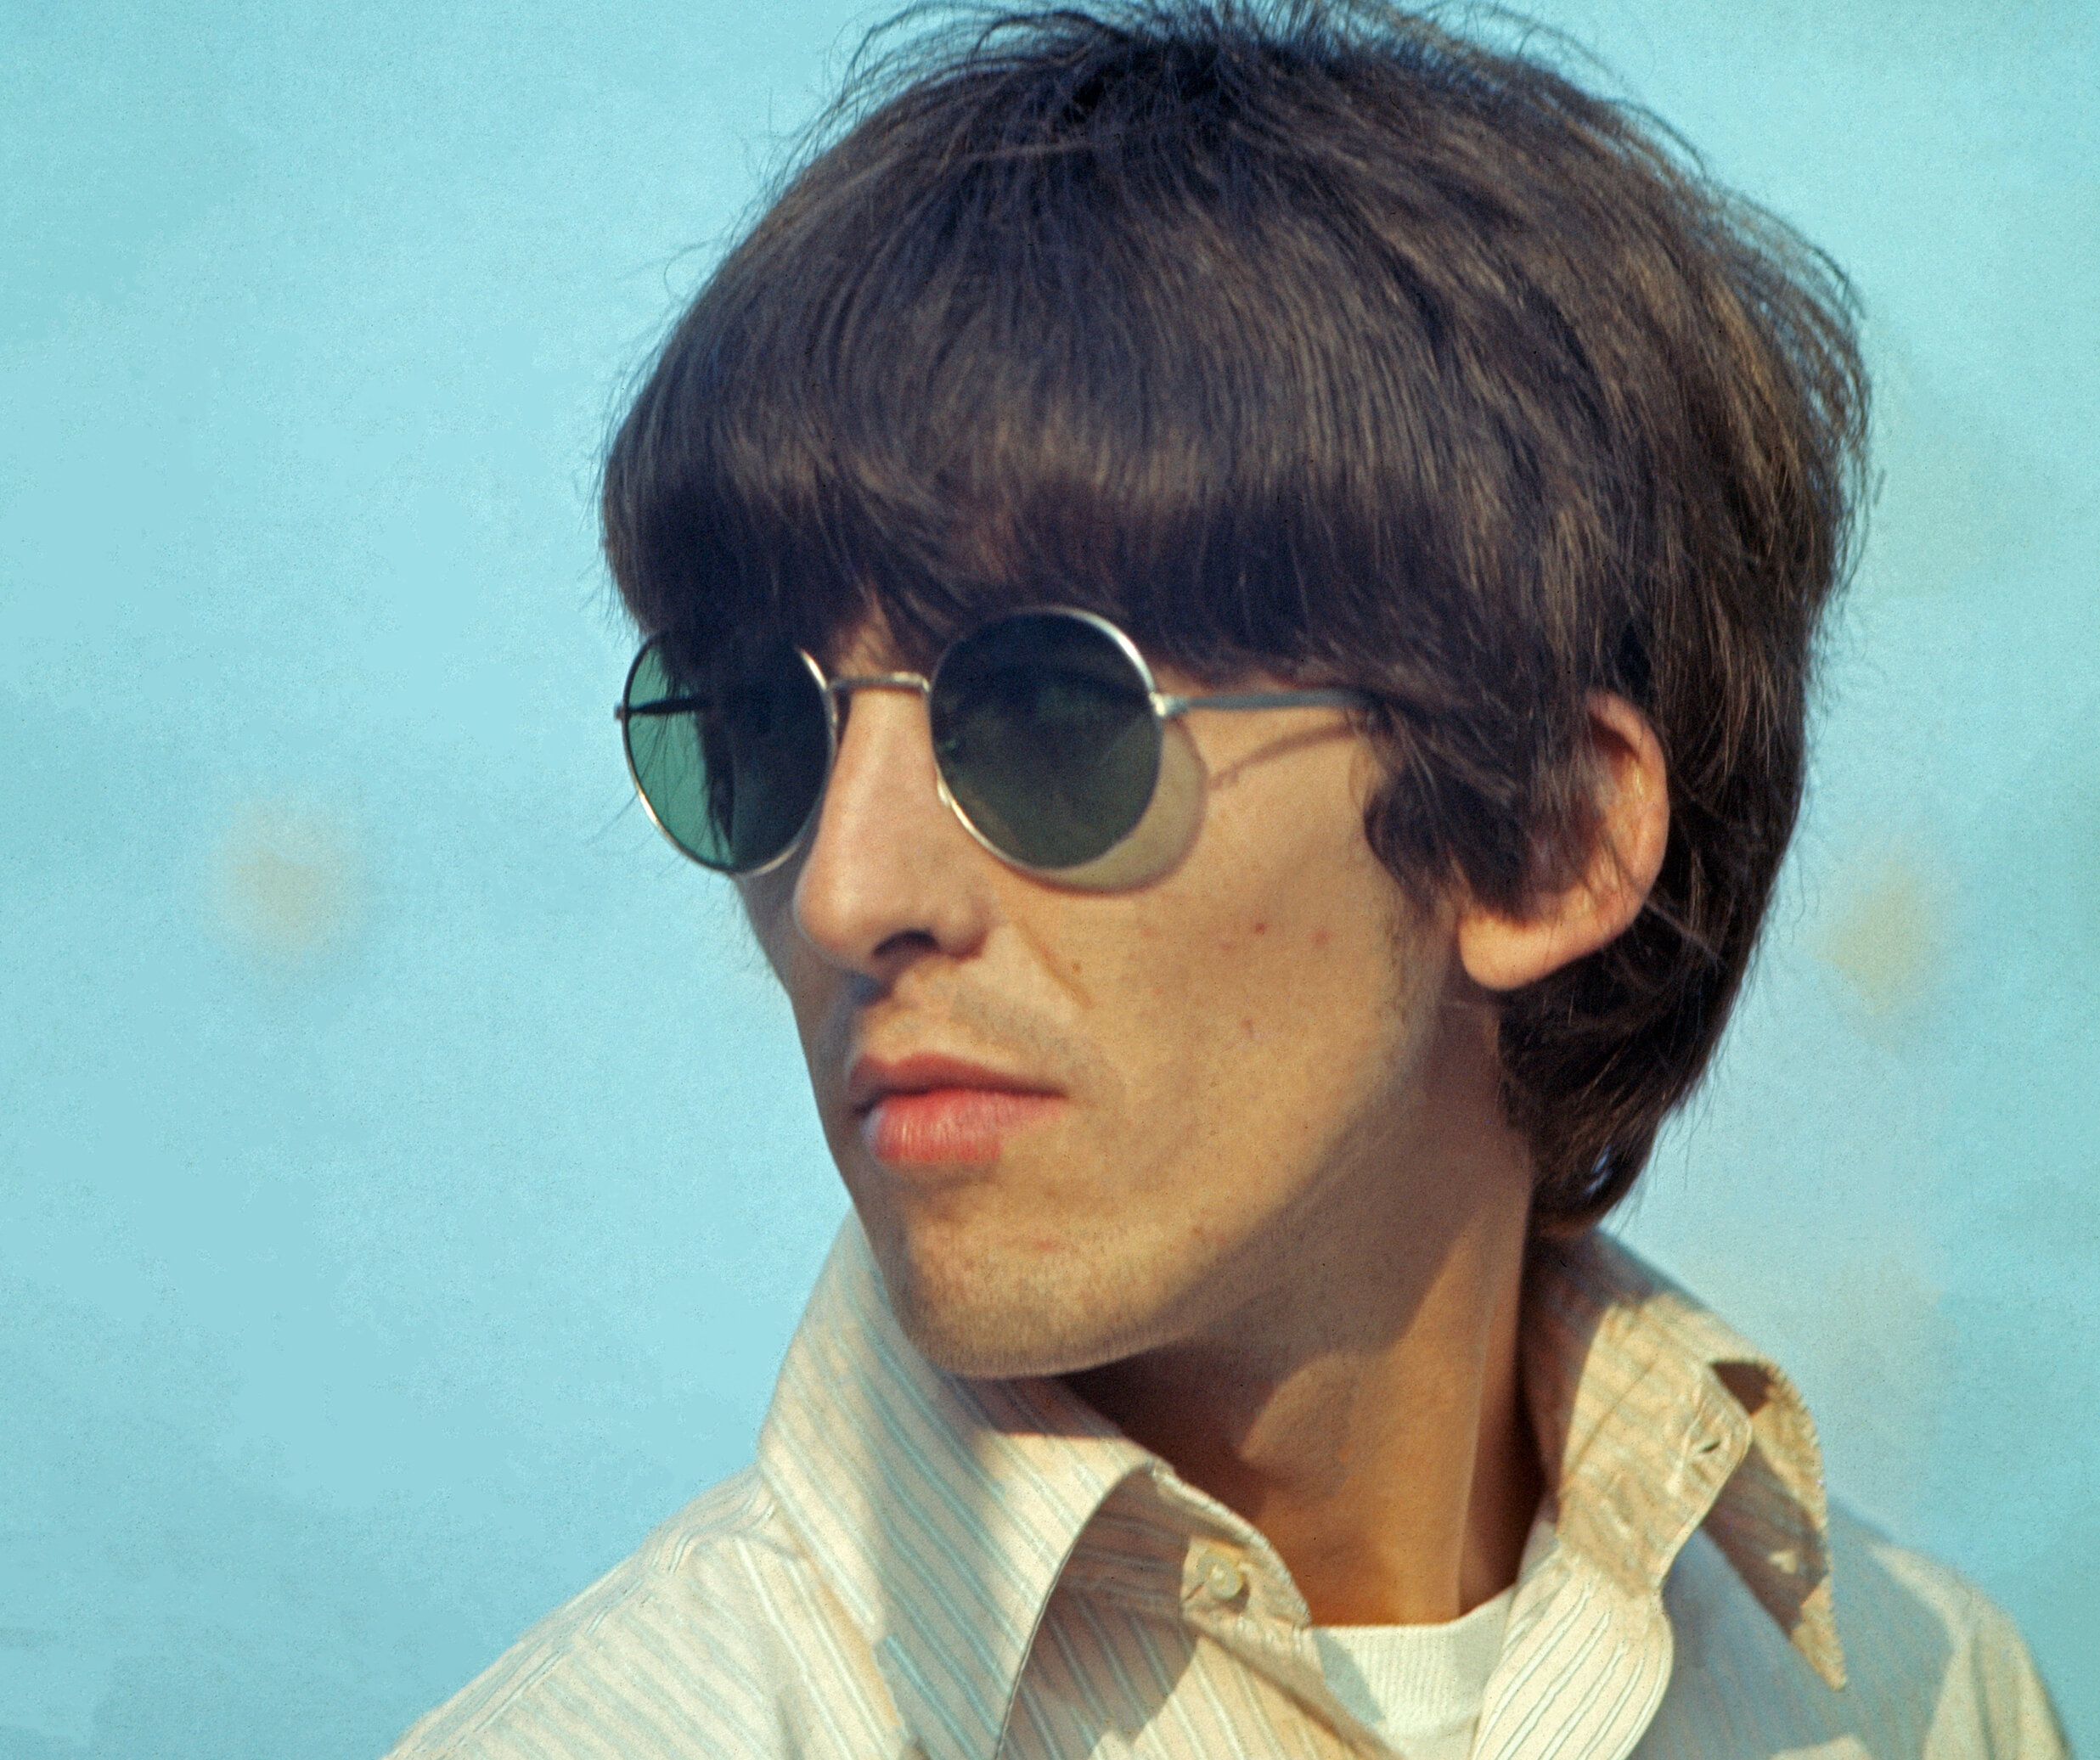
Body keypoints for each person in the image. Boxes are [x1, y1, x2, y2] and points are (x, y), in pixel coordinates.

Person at [386, 3, 2066, 1755]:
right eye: (758, 729)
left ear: (1541, 834)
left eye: (1047, 715)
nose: (840, 891)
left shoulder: (1923, 1696)